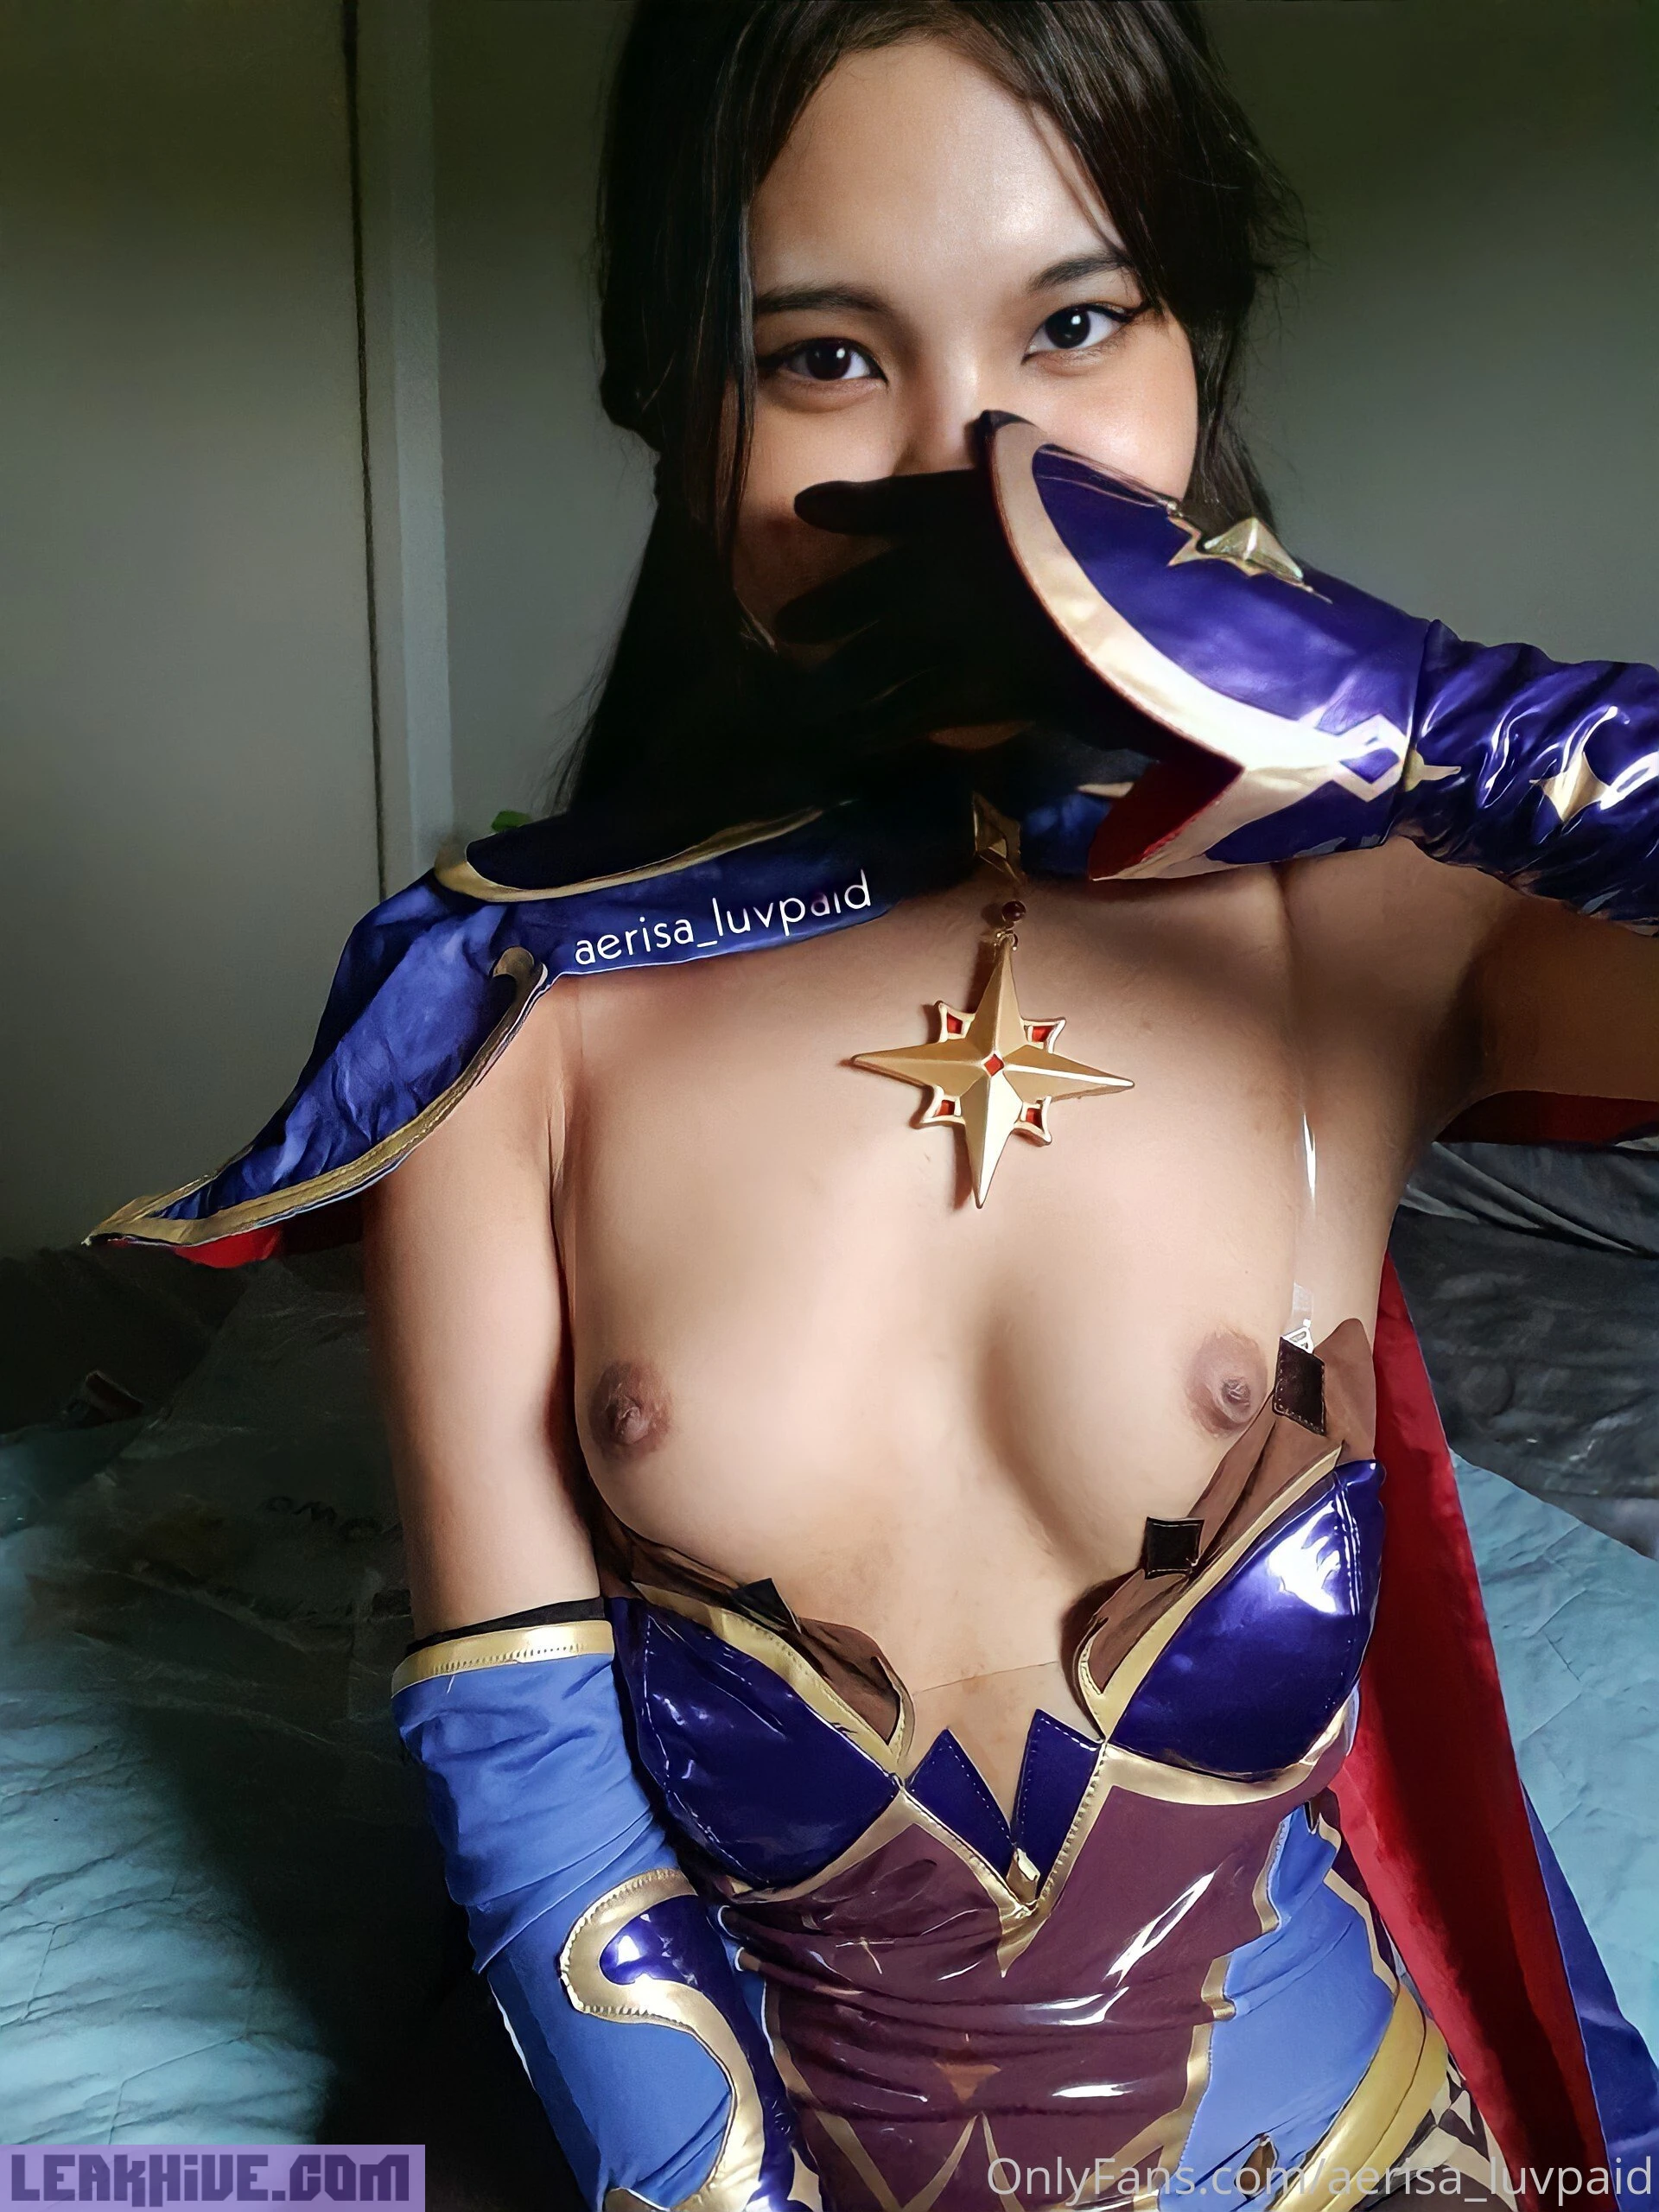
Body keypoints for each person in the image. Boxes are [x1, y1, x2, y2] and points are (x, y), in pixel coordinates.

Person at [92, 3, 1659, 2207]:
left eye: (1077, 322)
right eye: (828, 355)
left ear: (1199, 342)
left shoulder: (1375, 928)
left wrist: (1434, 719)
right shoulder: (511, 999)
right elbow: (531, 1778)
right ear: (678, 409)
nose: (971, 468)